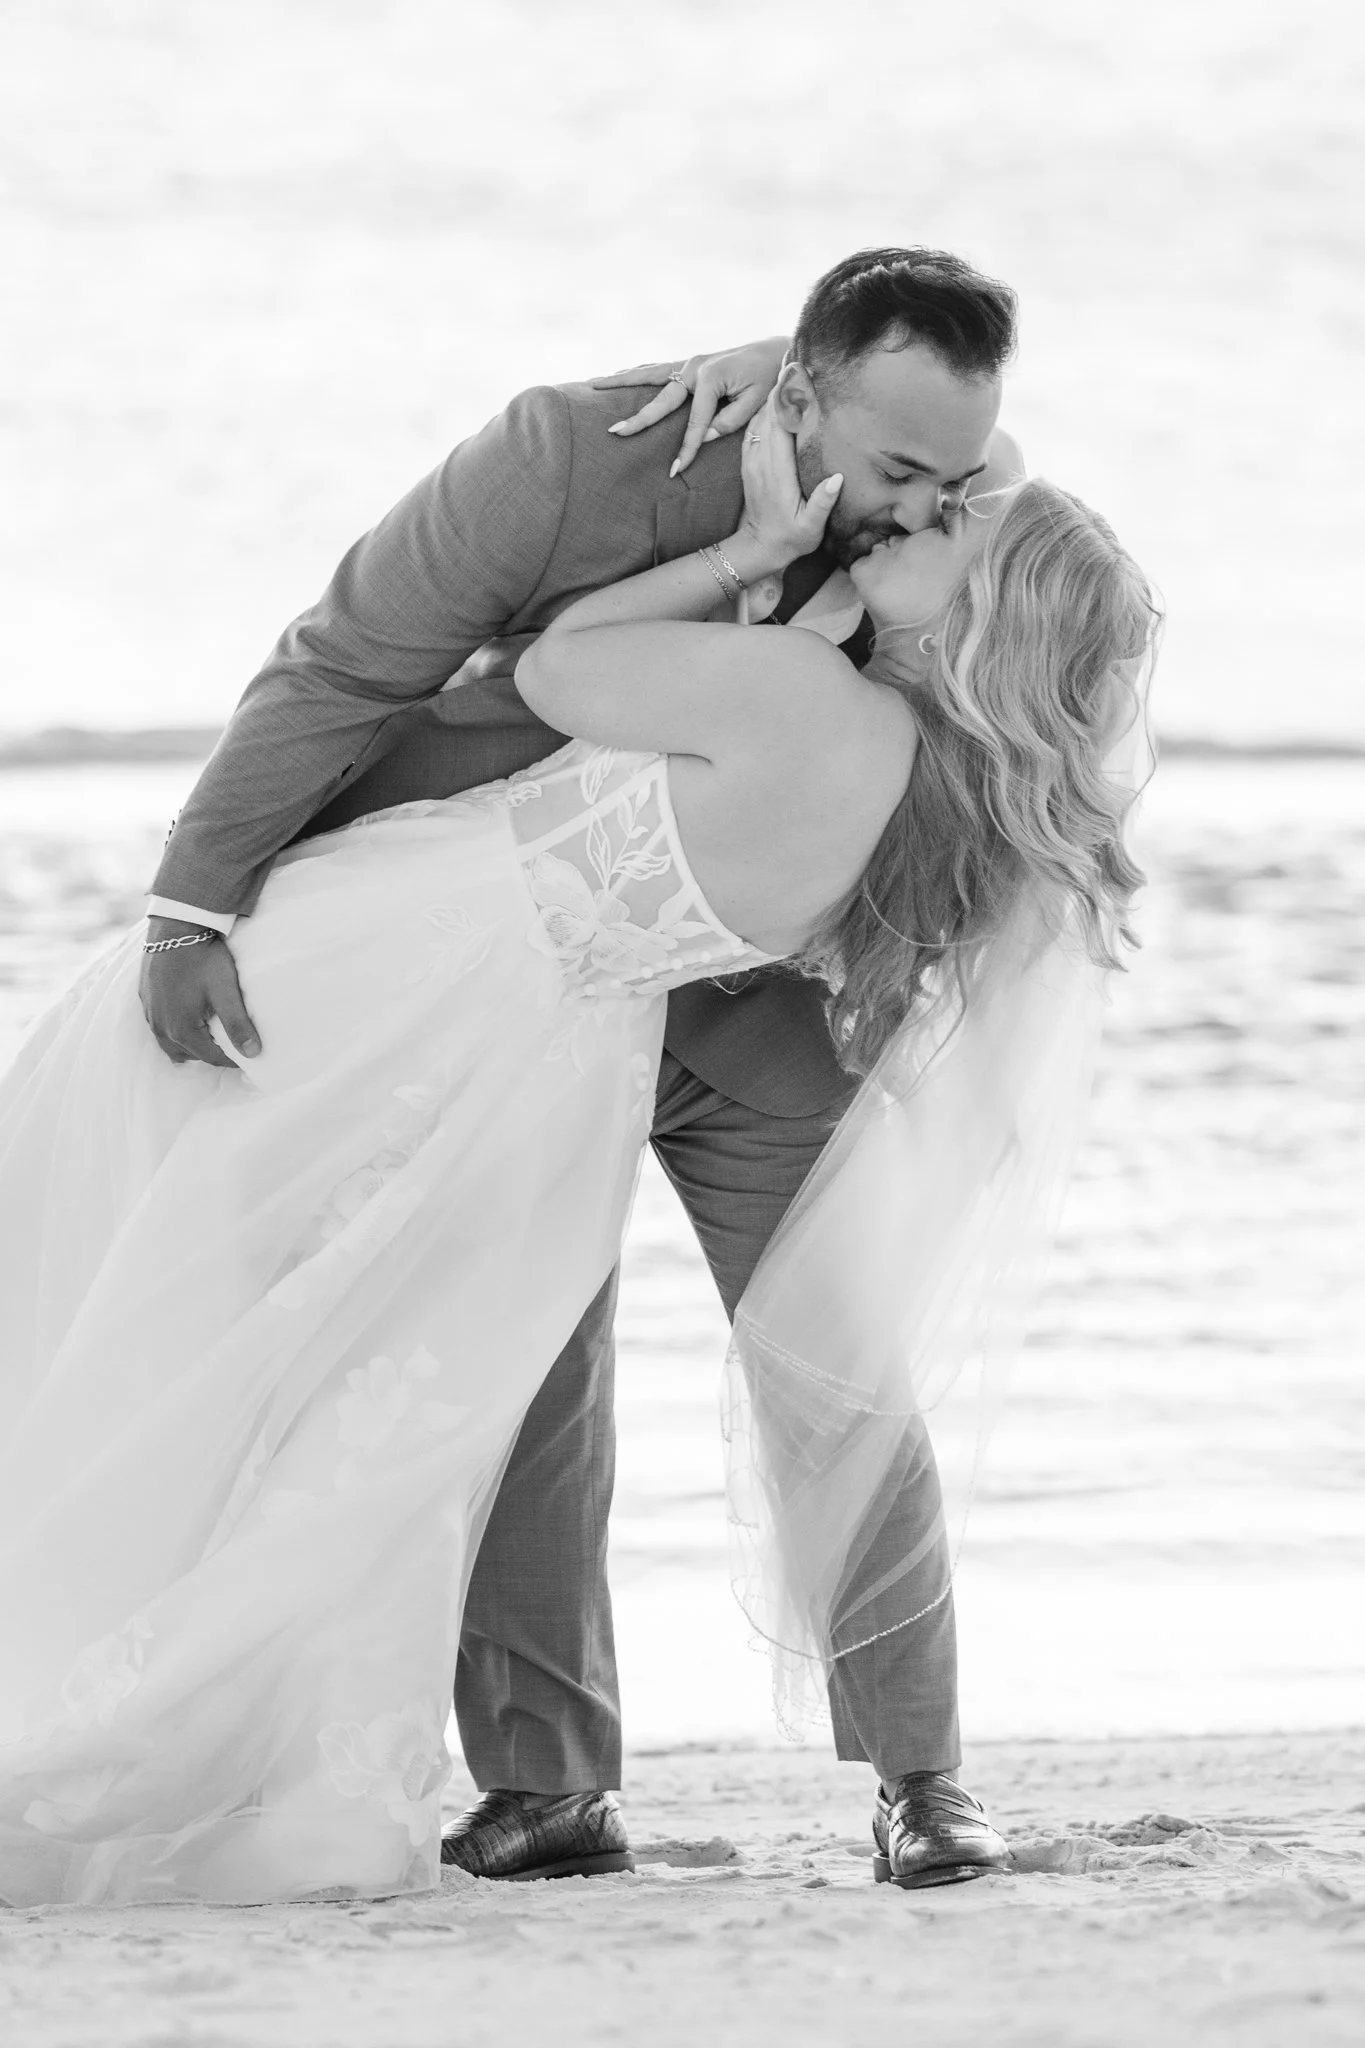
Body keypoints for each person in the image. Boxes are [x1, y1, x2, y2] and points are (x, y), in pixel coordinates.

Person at [0, 353, 1156, 1906]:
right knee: (516, 1377)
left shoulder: (913, 544)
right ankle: (547, 1786)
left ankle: (924, 1779)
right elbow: (340, 664)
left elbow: (952, 460)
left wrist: (785, 498)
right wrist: (763, 373)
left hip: (729, 1017)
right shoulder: (574, 462)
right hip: (539, 1015)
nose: (918, 508)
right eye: (913, 484)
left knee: (835, 1376)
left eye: (941, 502)